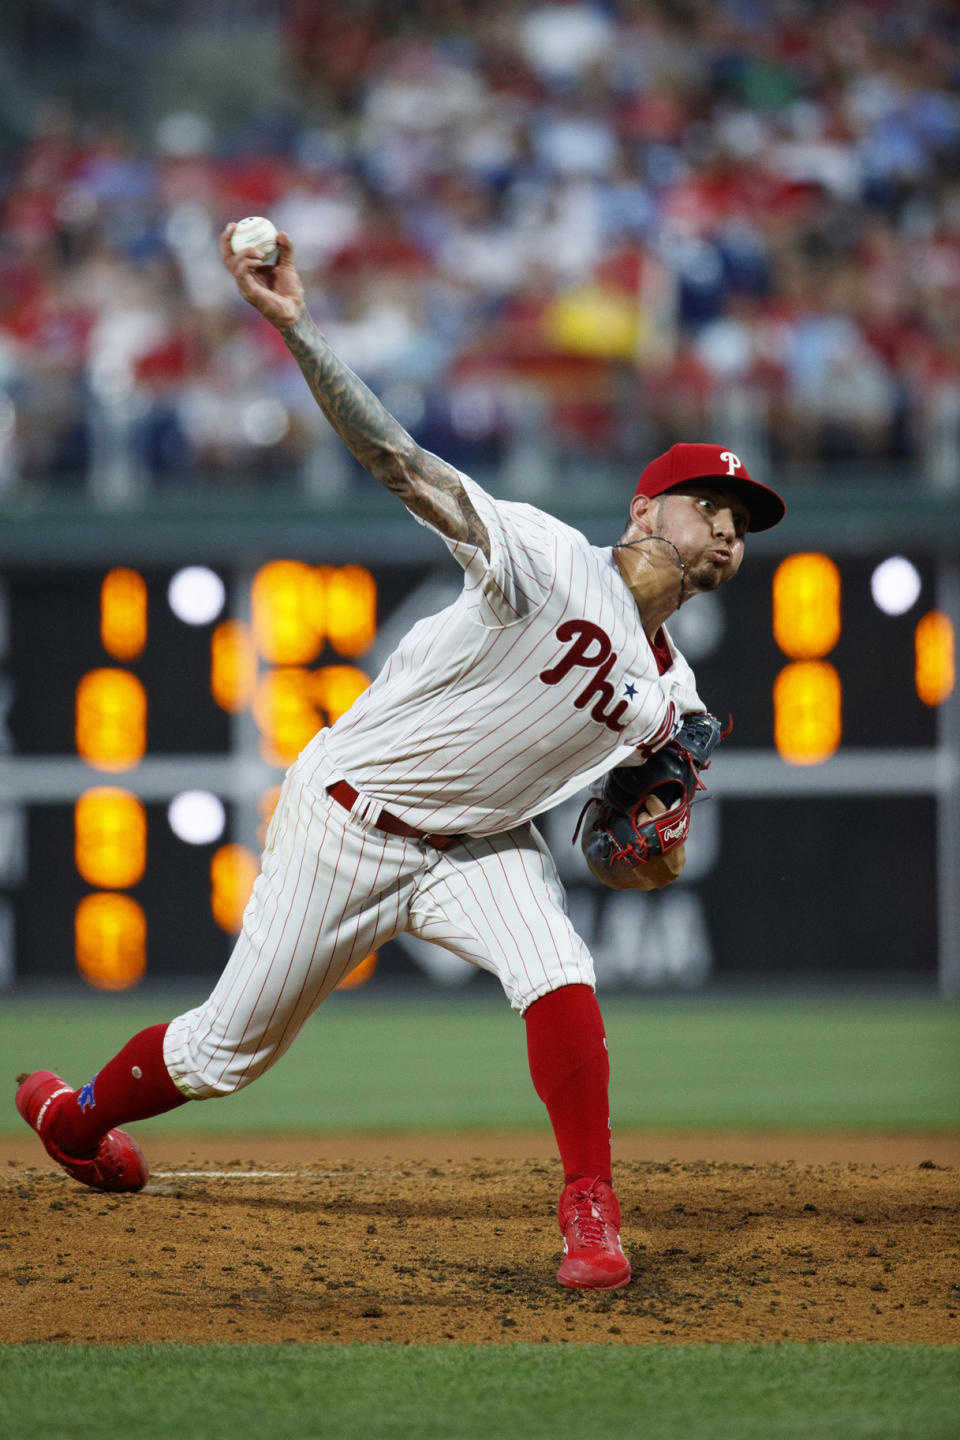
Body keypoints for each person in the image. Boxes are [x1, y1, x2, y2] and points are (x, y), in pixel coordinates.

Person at [15, 225, 785, 1292]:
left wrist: (643, 846)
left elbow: (635, 859)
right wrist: (297, 327)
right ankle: (74, 1118)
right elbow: (396, 462)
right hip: (349, 816)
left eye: (743, 522)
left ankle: (591, 1210)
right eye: (714, 504)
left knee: (559, 966)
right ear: (644, 508)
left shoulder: (675, 699)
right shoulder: (548, 560)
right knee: (218, 1057)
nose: (730, 529)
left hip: (479, 846)